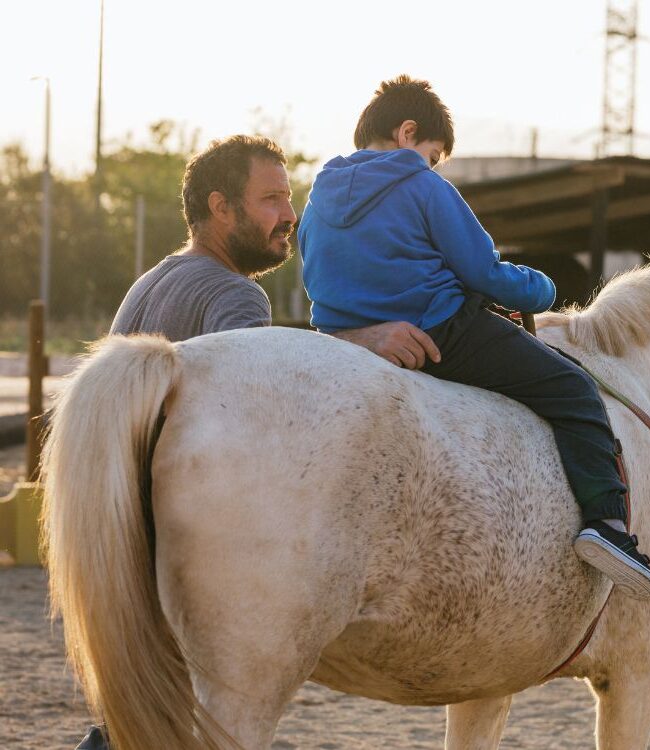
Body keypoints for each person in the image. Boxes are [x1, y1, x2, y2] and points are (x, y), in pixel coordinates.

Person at [75, 133, 441, 750]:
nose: (290, 216)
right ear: (221, 208)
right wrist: (364, 342)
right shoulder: (234, 293)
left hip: (136, 535)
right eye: (271, 199)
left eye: (290, 198)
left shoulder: (153, 281)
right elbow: (258, 386)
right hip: (188, 543)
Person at [299, 75, 650, 602]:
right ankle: (607, 526)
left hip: (348, 342)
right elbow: (484, 272)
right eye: (431, 154)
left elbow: (318, 284)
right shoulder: (423, 186)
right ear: (408, 133)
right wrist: (542, 287)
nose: (431, 166)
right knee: (574, 389)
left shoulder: (315, 202)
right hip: (443, 332)